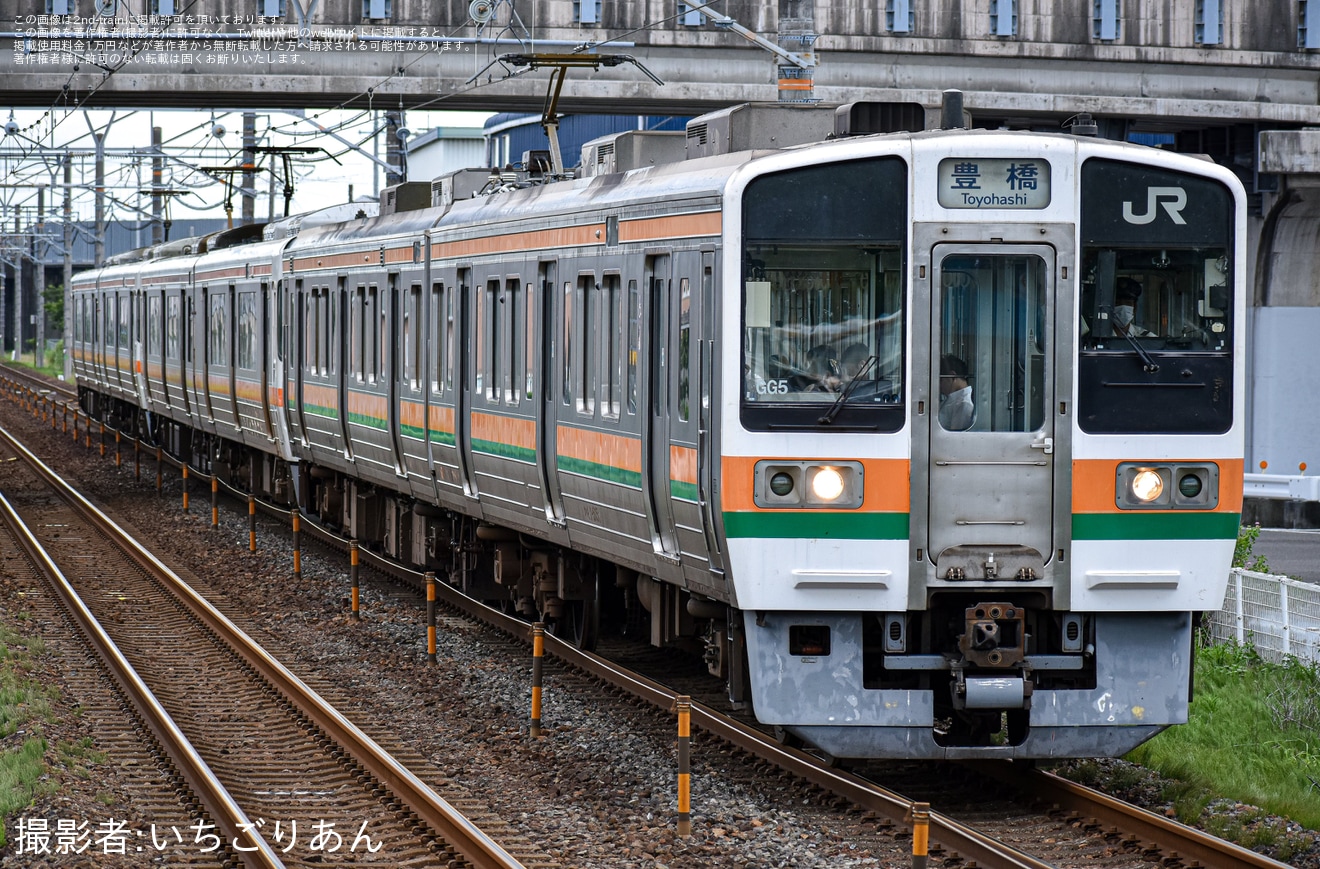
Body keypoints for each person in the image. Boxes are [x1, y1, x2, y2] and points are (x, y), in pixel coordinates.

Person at [938, 354, 974, 431]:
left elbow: (955, 436)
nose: (939, 386)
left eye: (940, 380)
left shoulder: (963, 404)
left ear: (952, 376)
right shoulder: (952, 400)